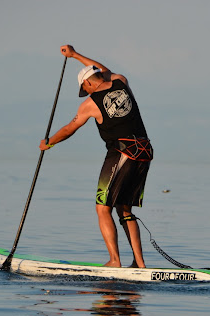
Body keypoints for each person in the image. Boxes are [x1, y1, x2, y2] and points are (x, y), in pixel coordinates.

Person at [40, 45, 153, 268]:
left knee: (102, 208)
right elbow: (105, 70)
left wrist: (49, 143)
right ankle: (140, 265)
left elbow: (69, 129)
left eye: (85, 88)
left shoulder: (90, 104)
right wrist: (75, 56)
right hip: (145, 152)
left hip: (122, 152)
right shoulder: (121, 81)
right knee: (124, 209)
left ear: (88, 83)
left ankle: (114, 261)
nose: (87, 92)